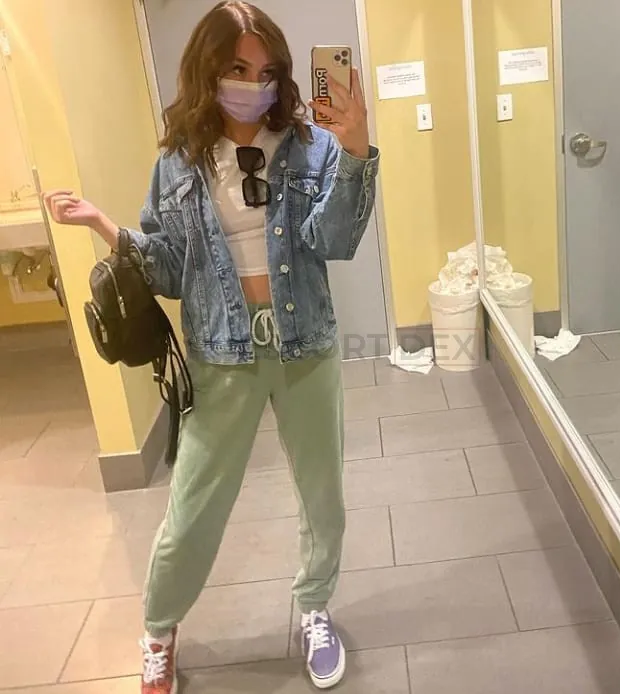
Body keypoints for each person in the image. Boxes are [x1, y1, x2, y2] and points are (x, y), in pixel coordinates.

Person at [43, 2, 379, 691]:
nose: (254, 85)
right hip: (223, 355)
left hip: (305, 347)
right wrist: (107, 227)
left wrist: (354, 152)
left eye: (267, 71)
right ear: (208, 70)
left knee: (322, 497)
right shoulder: (177, 164)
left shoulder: (312, 146)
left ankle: (314, 608)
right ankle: (158, 629)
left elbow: (335, 241)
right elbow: (171, 269)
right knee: (193, 506)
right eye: (237, 69)